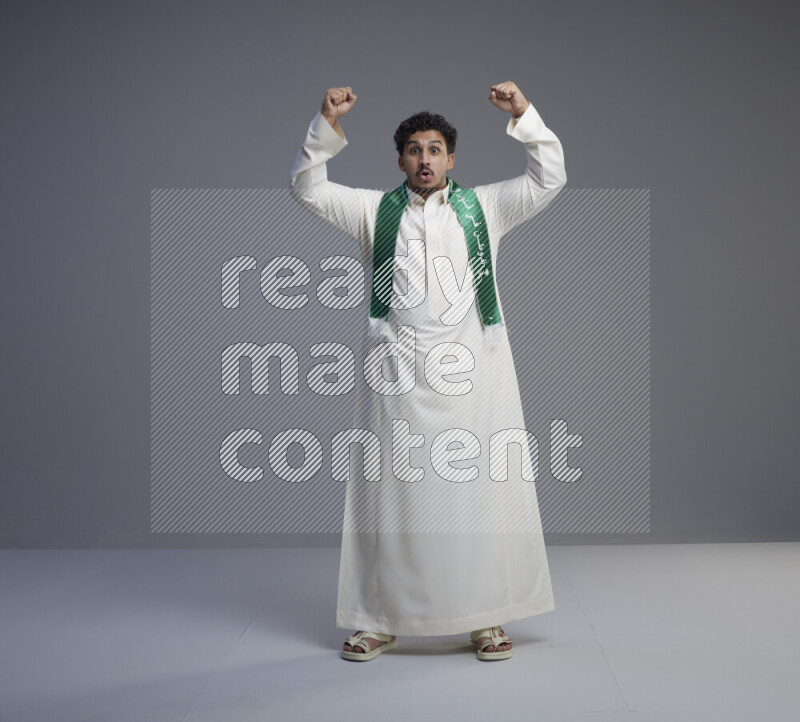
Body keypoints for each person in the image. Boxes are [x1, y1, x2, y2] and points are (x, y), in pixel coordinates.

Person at [290, 82, 567, 661]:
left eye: (435, 149)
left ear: (451, 158)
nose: (425, 159)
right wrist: (325, 124)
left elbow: (549, 179)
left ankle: (486, 618)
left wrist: (523, 115)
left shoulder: (485, 207)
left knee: (480, 493)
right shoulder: (372, 210)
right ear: (400, 160)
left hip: (475, 375)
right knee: (388, 497)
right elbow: (307, 188)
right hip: (396, 375)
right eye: (414, 150)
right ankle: (377, 619)